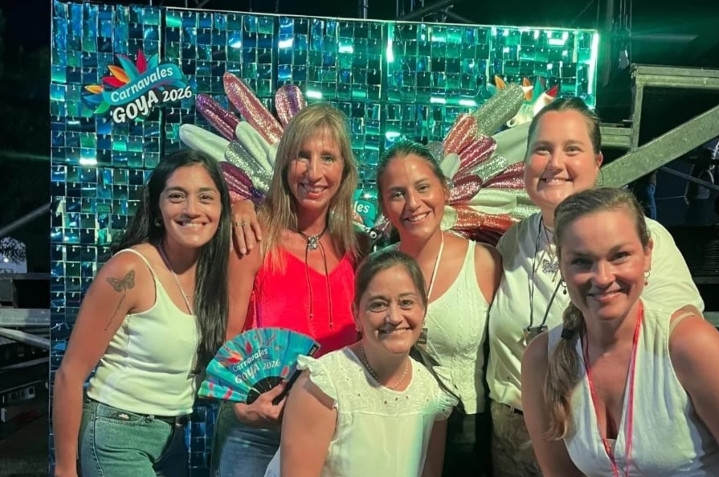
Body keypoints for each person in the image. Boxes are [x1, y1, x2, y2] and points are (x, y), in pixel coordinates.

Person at [485, 97, 719, 477]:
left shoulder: (647, 237)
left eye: (572, 149)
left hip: (631, 434)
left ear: (597, 161)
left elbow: (683, 337)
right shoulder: (511, 242)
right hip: (527, 433)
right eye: (542, 150)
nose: (555, 163)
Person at [521, 187, 719, 476]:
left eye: (620, 256)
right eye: (582, 261)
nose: (603, 277)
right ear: (561, 264)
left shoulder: (688, 343)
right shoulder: (542, 359)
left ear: (647, 254)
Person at [52, 150, 232, 477]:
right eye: (176, 196)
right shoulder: (129, 271)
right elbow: (70, 373)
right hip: (117, 433)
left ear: (222, 208)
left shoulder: (212, 273)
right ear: (157, 209)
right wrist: (65, 468)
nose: (192, 209)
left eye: (206, 197)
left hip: (173, 439)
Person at [214, 102, 364, 477]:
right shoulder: (253, 236)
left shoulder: (357, 247)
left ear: (345, 170)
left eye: (327, 157)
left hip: (336, 429)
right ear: (284, 164)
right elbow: (227, 336)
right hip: (259, 431)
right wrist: (241, 407)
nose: (314, 172)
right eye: (302, 156)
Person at [266, 249, 458, 477]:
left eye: (406, 303)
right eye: (379, 304)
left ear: (424, 309)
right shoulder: (322, 386)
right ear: (356, 314)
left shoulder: (431, 392)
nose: (395, 317)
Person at [376, 141, 501, 476]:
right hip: (389, 425)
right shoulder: (375, 269)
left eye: (422, 188)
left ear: (444, 190)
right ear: (384, 205)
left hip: (466, 434)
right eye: (397, 194)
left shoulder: (484, 261)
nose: (413, 203)